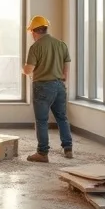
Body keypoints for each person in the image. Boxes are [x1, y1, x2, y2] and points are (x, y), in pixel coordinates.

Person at [22, 15, 73, 162]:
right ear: (45, 28)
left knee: (42, 120)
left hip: (43, 86)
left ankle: (42, 153)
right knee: (62, 117)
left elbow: (28, 69)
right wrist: (64, 82)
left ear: (34, 31)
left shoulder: (36, 47)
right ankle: (68, 148)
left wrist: (23, 69)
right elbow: (66, 67)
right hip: (59, 85)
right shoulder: (61, 44)